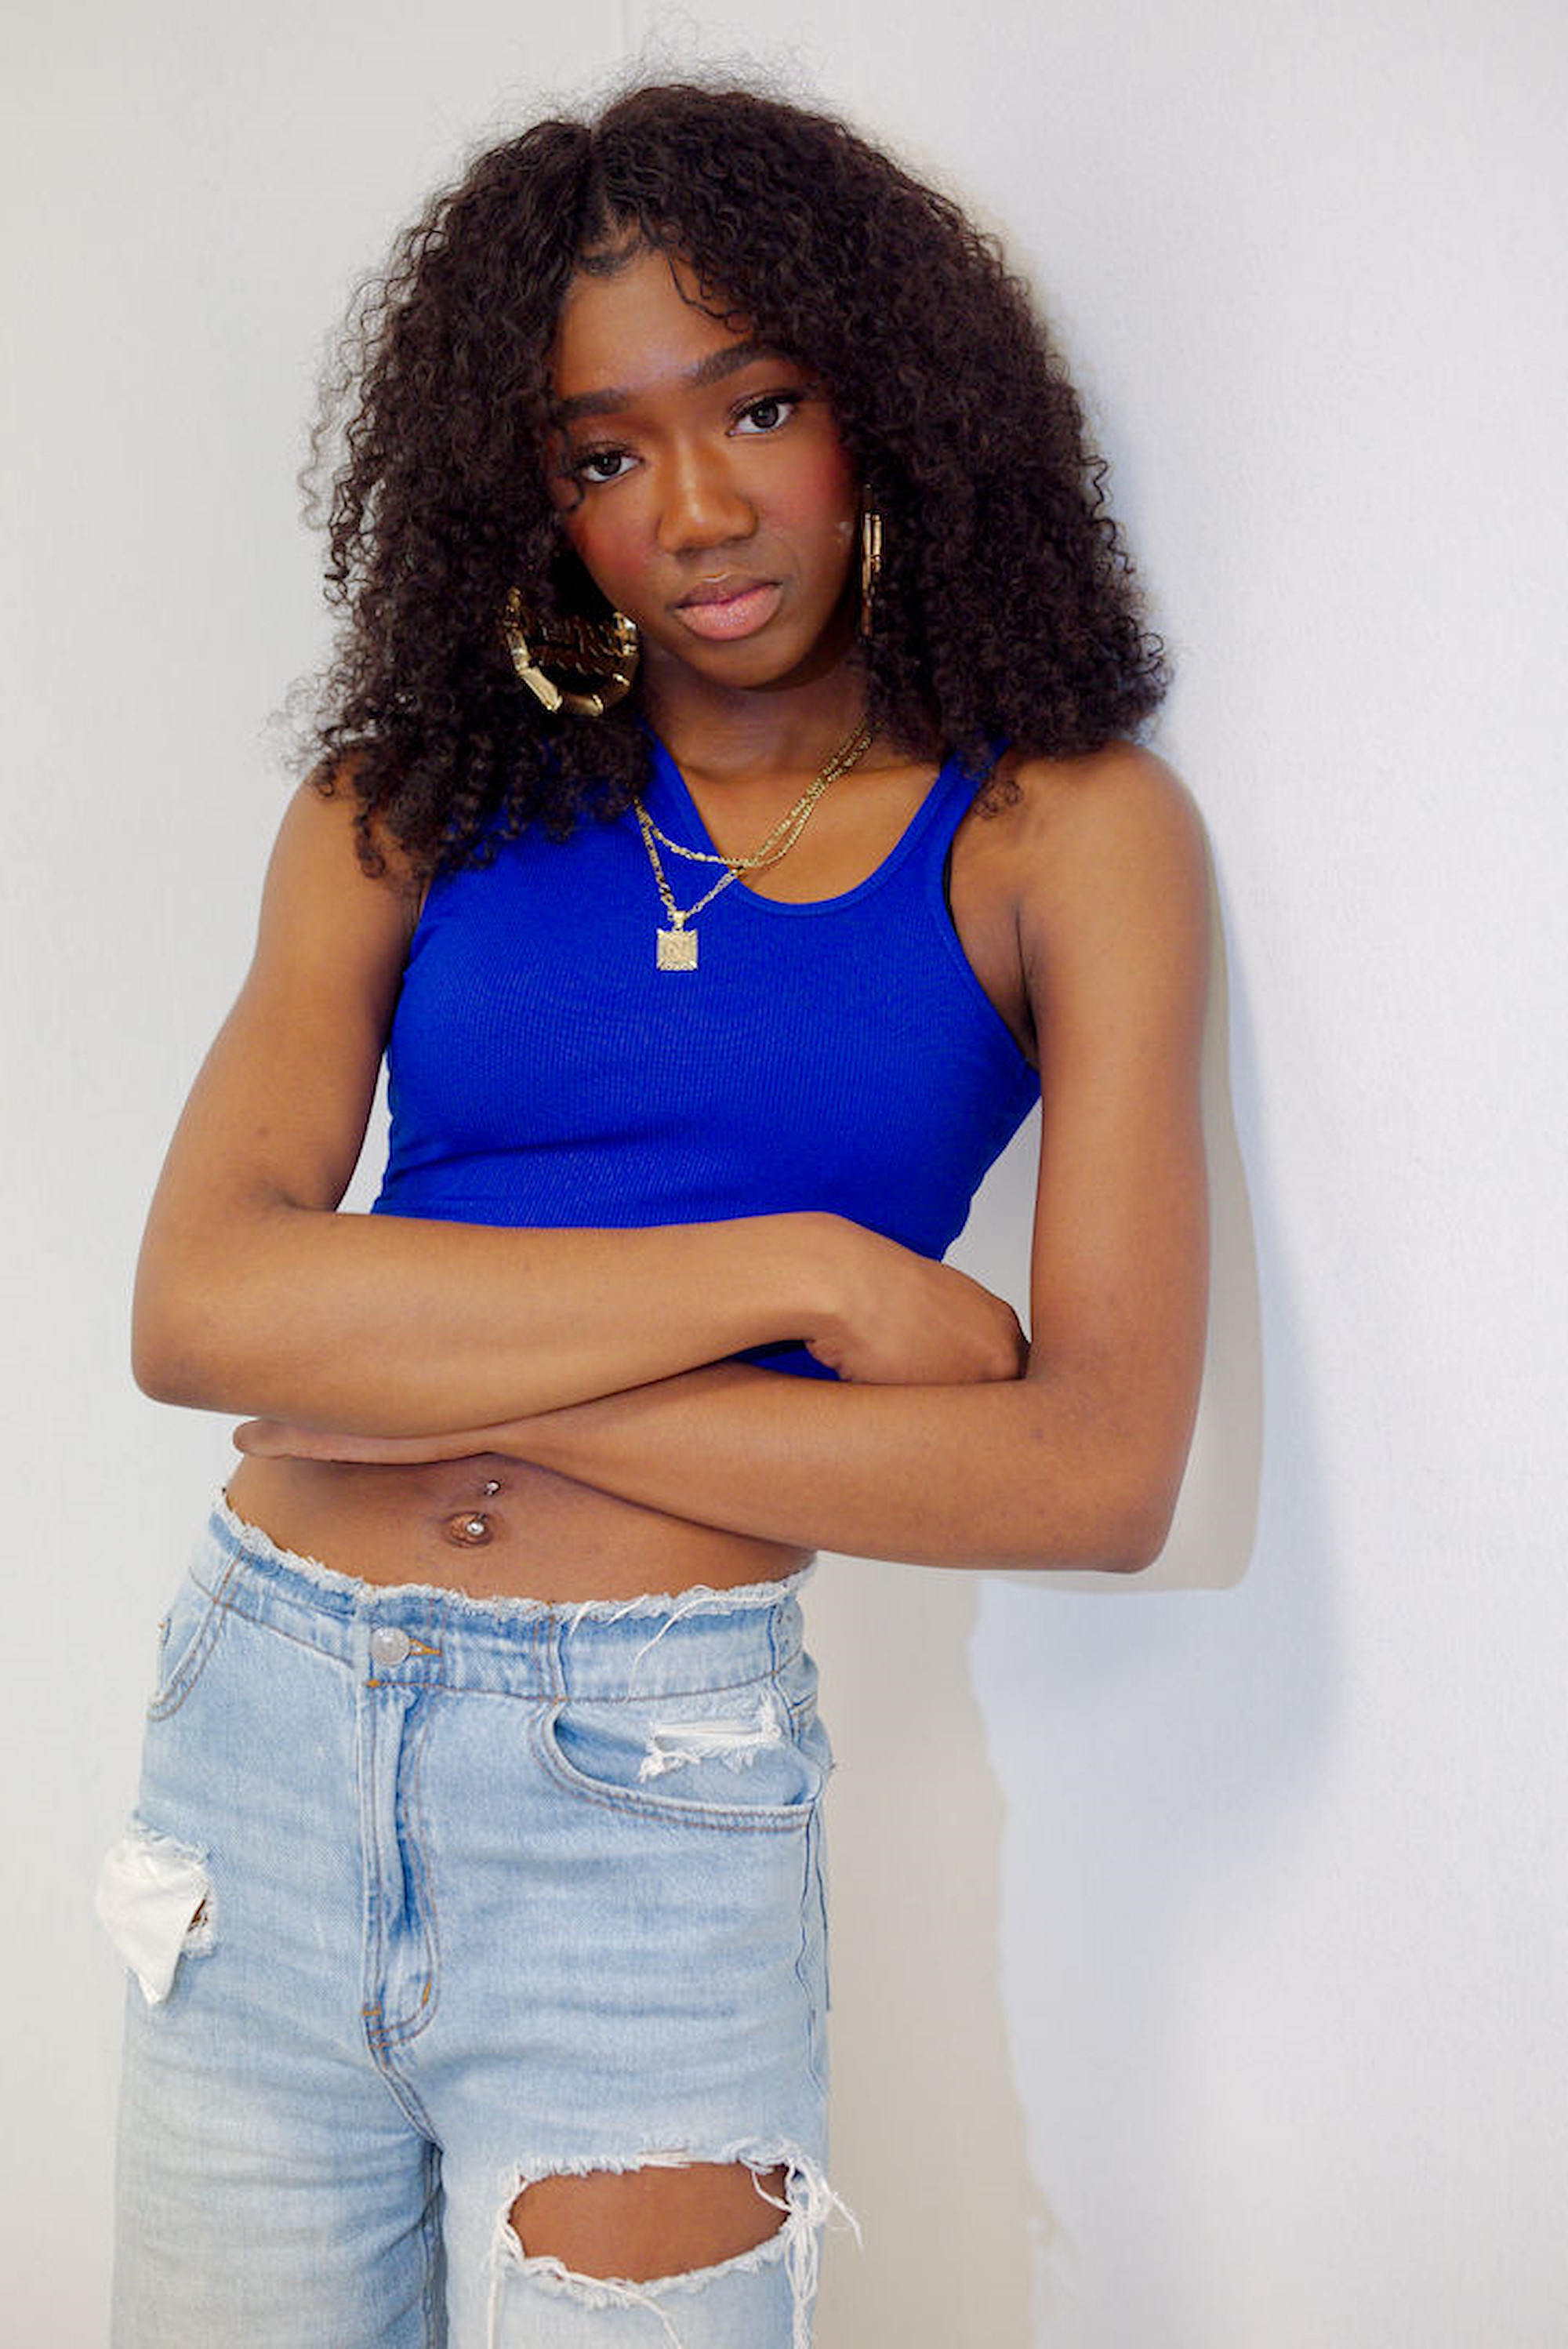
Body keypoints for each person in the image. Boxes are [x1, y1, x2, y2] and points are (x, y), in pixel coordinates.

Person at [103, 80, 1208, 2349]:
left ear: (886, 403)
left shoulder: (1059, 836)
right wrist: (799, 1280)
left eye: (759, 407)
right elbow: (201, 1306)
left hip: (644, 1788)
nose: (695, 509)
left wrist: (421, 1367)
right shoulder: (408, 805)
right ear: (528, 492)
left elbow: (1093, 1472)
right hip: (259, 1734)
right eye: (603, 453)